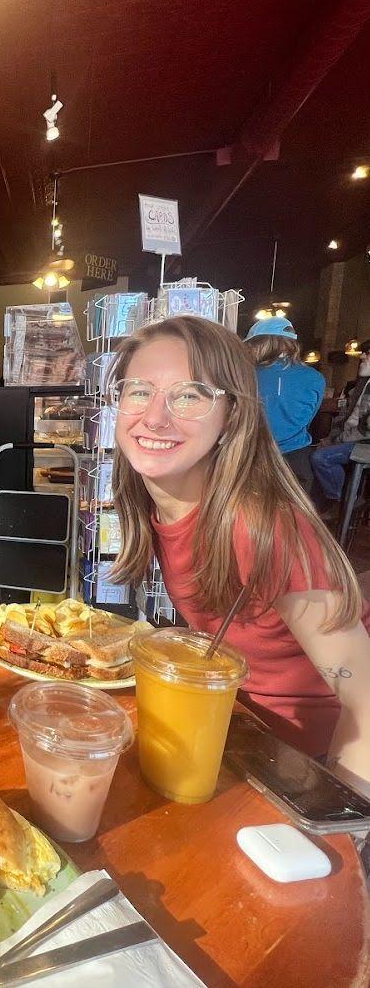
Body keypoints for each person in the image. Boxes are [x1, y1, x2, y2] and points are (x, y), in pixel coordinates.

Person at [106, 314, 370, 792]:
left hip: (302, 764)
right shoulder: (155, 503)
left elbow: (365, 701)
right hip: (232, 728)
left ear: (232, 416)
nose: (155, 416)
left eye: (189, 395)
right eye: (139, 390)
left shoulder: (262, 526)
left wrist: (340, 832)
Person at [244, 317, 324, 491]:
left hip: (255, 456)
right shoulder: (315, 378)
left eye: (251, 346)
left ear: (261, 344)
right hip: (297, 459)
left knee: (252, 513)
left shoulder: (246, 376)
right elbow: (309, 418)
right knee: (295, 515)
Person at [310, 339, 370, 507]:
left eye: (368, 353)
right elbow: (344, 419)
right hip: (354, 440)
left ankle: (346, 501)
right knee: (315, 452)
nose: (362, 356)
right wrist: (331, 438)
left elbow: (364, 430)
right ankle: (331, 505)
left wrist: (334, 440)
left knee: (321, 457)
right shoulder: (360, 386)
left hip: (364, 444)